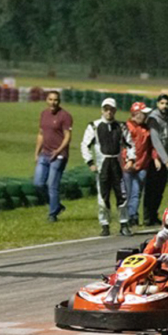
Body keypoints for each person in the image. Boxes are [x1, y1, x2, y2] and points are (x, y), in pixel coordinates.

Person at [81, 98, 131, 237]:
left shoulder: (121, 126)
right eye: (106, 109)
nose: (109, 112)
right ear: (102, 110)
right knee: (103, 198)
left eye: (111, 109)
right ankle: (105, 225)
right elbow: (85, 145)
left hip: (117, 166)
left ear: (115, 110)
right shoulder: (94, 126)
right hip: (102, 167)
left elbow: (130, 144)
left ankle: (124, 224)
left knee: (122, 196)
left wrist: (130, 160)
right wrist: (90, 162)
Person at [34, 89, 73, 223]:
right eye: (50, 99)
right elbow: (41, 134)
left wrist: (58, 151)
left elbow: (67, 136)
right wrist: (36, 152)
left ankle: (52, 214)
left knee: (52, 185)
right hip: (44, 153)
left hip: (59, 155)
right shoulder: (44, 114)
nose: (53, 102)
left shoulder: (65, 116)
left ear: (59, 101)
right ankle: (56, 205)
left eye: (55, 100)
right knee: (38, 184)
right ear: (46, 100)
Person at [121, 101, 152, 235]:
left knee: (137, 192)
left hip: (142, 165)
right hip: (128, 165)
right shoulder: (127, 127)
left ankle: (133, 215)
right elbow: (124, 146)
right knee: (128, 192)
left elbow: (150, 147)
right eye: (143, 114)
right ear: (136, 114)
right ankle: (127, 216)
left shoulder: (146, 129)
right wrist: (128, 160)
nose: (145, 116)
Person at [144, 94, 168, 227]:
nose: (164, 106)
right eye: (162, 103)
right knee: (152, 188)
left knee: (160, 190)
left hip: (166, 157)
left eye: (166, 103)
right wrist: (165, 159)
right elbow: (155, 140)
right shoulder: (153, 119)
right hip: (155, 158)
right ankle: (147, 216)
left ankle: (154, 214)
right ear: (157, 104)